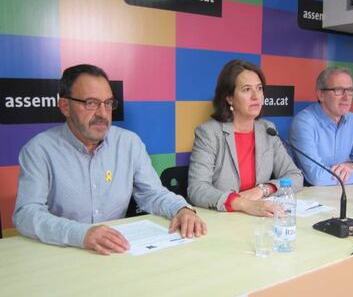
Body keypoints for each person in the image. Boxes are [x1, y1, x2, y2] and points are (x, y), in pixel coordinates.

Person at [13, 64, 207, 255]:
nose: (102, 113)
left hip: (116, 252)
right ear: (65, 106)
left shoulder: (128, 143)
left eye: (108, 103)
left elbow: (153, 194)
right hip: (63, 252)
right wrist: (81, 234)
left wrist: (182, 209)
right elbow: (26, 214)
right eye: (91, 103)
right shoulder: (39, 150)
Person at [187, 60, 303, 217]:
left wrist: (263, 189)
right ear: (229, 98)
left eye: (259, 88)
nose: (256, 96)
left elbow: (295, 176)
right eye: (246, 90)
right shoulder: (209, 133)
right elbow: (197, 189)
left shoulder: (267, 129)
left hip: (257, 220)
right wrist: (243, 204)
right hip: (222, 220)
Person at [288, 66, 353, 186]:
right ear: (321, 95)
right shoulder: (304, 122)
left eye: (350, 90)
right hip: (310, 195)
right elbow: (317, 177)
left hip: (341, 191)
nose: (346, 97)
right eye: (339, 91)